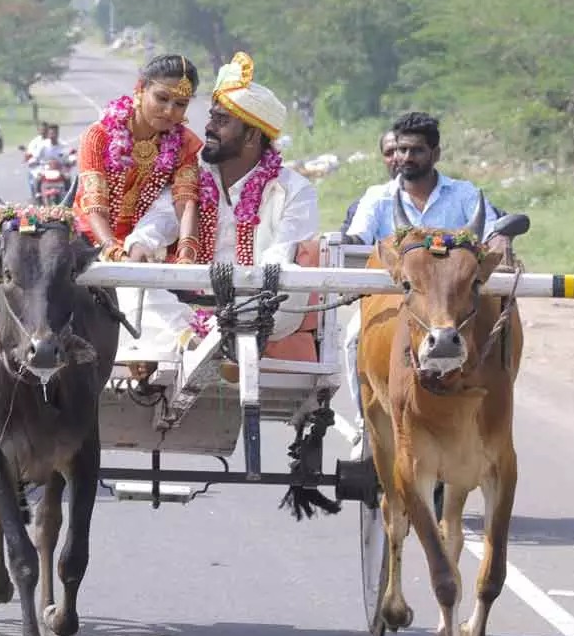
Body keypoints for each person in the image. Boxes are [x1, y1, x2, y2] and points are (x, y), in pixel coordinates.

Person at [118, 52, 318, 358]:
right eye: (212, 116)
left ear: (251, 135)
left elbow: (279, 257)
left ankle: (213, 341)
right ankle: (191, 341)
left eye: (221, 121)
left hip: (255, 312)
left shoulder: (293, 190)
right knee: (126, 281)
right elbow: (161, 217)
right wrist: (140, 243)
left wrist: (242, 304)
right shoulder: (191, 172)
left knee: (286, 284)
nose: (208, 127)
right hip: (184, 313)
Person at [341, 111, 508, 436]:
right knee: (352, 339)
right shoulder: (378, 197)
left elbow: (490, 239)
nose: (405, 157)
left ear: (435, 154)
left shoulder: (465, 196)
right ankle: (366, 425)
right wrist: (340, 241)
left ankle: (489, 427)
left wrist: (503, 237)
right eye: (400, 150)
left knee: (497, 340)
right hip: (391, 301)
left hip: (452, 305)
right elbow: (358, 240)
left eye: (416, 150)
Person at [72, 55, 203, 262]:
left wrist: (187, 253)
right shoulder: (99, 136)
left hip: (147, 246)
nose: (169, 111)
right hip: (90, 242)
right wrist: (114, 253)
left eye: (180, 104)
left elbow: (185, 203)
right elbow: (94, 207)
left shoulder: (184, 145)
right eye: (161, 98)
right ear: (141, 88)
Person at [340, 130, 399, 236]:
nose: (396, 157)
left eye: (402, 150)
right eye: (389, 153)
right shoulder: (364, 206)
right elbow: (348, 243)